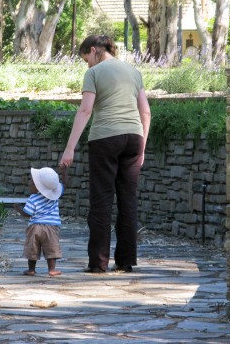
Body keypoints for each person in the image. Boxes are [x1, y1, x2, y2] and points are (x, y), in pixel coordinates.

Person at [59, 35, 151, 274]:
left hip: (105, 138)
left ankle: (98, 263)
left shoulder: (94, 73)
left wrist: (69, 148)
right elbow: (146, 113)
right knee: (128, 200)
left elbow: (86, 109)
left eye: (86, 59)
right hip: (133, 138)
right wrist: (142, 147)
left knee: (101, 201)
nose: (87, 64)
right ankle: (126, 261)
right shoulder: (134, 72)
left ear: (94, 50)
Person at [14, 167, 67, 277]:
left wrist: (18, 208)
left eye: (33, 182)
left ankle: (31, 270)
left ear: (39, 188)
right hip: (52, 228)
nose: (30, 184)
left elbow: (27, 213)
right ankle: (52, 269)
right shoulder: (55, 196)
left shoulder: (33, 198)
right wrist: (63, 172)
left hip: (35, 228)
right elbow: (65, 185)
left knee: (32, 249)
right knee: (51, 248)